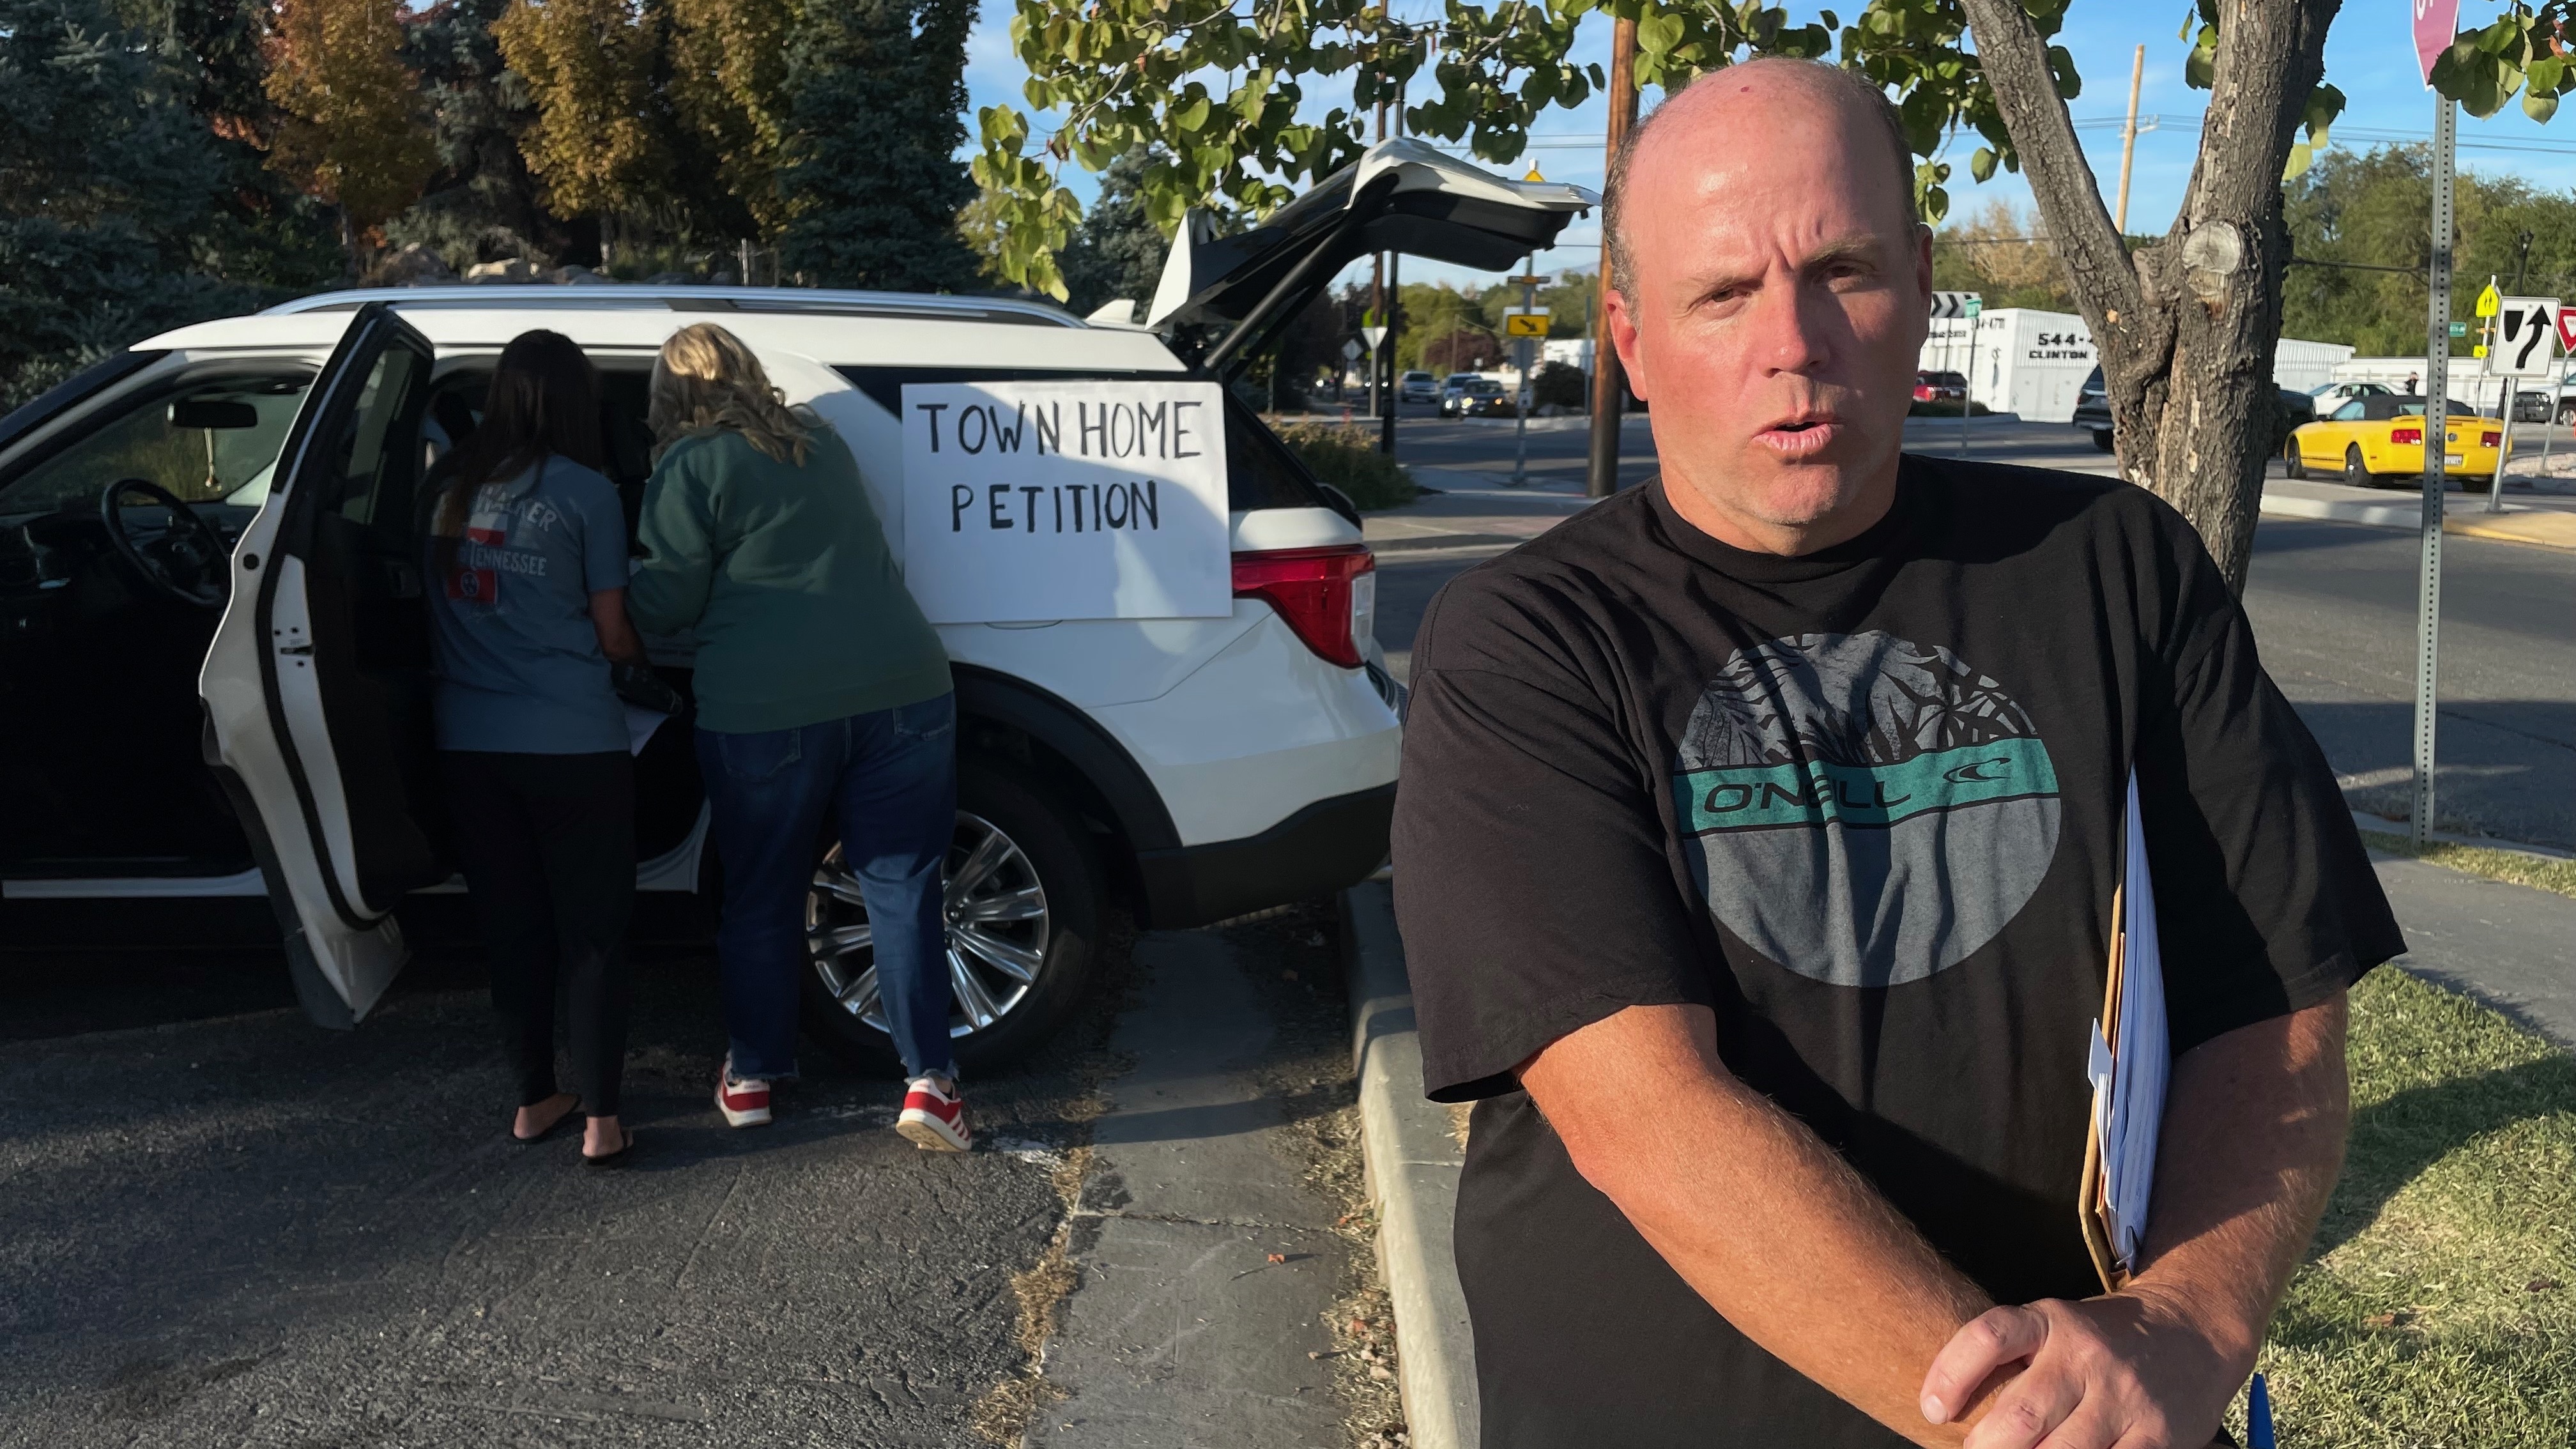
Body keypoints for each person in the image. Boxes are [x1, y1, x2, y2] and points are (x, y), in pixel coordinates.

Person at [1390, 59, 2404, 1449]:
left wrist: (2187, 1325)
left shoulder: (2114, 572)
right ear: (1631, 336)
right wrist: (2028, 1428)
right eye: (1721, 294)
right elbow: (1645, 1116)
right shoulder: (1526, 642)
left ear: (1923, 281)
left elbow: (2274, 992)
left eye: (1844, 269)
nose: (1791, 342)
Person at [625, 323, 968, 1151]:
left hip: (765, 709)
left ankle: (752, 1078)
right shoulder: (821, 439)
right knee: (901, 888)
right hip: (904, 687)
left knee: (761, 895)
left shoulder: (687, 464)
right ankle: (932, 1085)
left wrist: (607, 594)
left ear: (671, 395)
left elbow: (664, 603)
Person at [424, 330, 642, 1166]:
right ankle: (602, 1121)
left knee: (511, 929)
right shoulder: (586, 493)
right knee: (592, 933)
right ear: (573, 401)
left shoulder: (445, 489)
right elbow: (614, 633)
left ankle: (531, 1100)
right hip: (572, 744)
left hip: (469, 745)